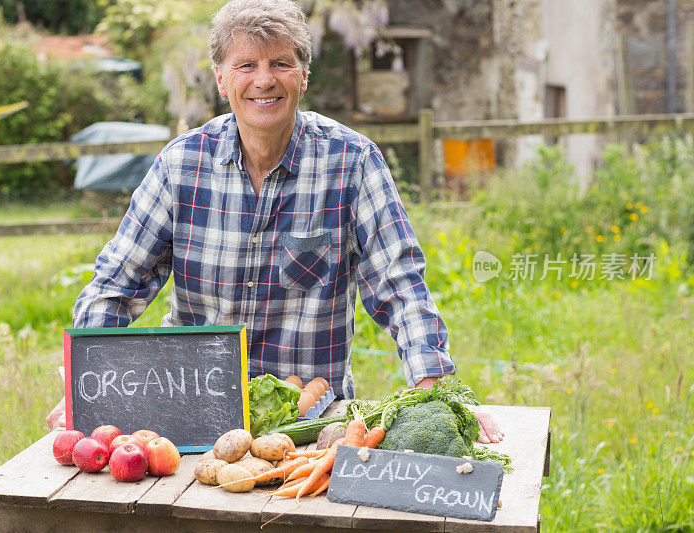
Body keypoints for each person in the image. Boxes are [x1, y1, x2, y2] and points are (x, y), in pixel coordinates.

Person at [47, 0, 502, 443]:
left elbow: (399, 283)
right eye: (246, 65)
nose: (264, 80)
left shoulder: (352, 161)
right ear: (221, 80)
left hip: (313, 425)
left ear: (303, 76)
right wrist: (86, 385)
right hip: (192, 420)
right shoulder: (180, 165)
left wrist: (435, 384)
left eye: (281, 63)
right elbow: (118, 281)